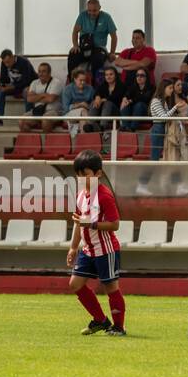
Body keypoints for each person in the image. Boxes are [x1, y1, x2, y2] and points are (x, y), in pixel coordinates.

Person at [66, 150, 126, 337]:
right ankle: (100, 320)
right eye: (79, 175)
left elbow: (115, 225)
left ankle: (118, 327)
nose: (82, 178)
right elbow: (79, 223)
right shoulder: (80, 195)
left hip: (105, 250)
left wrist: (90, 224)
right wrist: (73, 247)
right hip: (87, 250)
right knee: (74, 284)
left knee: (111, 288)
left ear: (98, 174)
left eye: (86, 174)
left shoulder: (105, 196)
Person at [69, 0, 117, 82]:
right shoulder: (82, 16)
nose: (91, 13)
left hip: (99, 48)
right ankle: (72, 82)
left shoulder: (106, 17)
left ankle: (96, 86)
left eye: (94, 10)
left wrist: (112, 52)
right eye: (89, 10)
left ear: (99, 8)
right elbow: (75, 32)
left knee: (97, 60)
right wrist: (75, 45)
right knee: (73, 55)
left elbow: (114, 36)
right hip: (84, 47)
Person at [0, 49, 35, 126]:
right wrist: (0, 85)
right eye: (5, 62)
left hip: (28, 85)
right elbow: (3, 77)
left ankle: (29, 119)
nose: (7, 65)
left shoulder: (24, 62)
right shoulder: (4, 63)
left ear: (12, 57)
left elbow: (26, 81)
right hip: (15, 86)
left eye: (8, 62)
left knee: (26, 92)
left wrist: (11, 87)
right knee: (0, 93)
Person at [19, 63, 63, 133]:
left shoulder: (56, 83)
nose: (40, 74)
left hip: (54, 111)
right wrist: (43, 95)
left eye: (43, 71)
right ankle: (33, 141)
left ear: (49, 73)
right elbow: (29, 99)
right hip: (38, 111)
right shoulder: (34, 83)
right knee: (22, 121)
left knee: (45, 120)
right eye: (39, 71)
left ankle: (47, 142)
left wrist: (36, 97)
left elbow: (50, 99)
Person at [87, 65, 125, 133]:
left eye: (111, 74)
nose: (108, 77)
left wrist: (104, 100)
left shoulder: (121, 86)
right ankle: (91, 125)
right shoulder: (103, 85)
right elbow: (97, 92)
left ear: (115, 75)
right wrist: (97, 97)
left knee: (108, 103)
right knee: (94, 102)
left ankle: (102, 126)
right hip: (103, 112)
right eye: (106, 75)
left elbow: (116, 98)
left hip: (116, 112)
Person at [119, 67, 154, 133]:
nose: (139, 77)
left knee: (139, 105)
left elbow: (145, 98)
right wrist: (124, 99)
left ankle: (132, 128)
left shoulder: (151, 87)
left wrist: (131, 100)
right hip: (134, 113)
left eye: (142, 75)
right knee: (125, 104)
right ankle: (126, 127)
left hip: (146, 112)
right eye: (137, 75)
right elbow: (127, 94)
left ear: (146, 77)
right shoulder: (133, 87)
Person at [61, 69, 95, 135]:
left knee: (83, 117)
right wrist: (80, 105)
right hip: (68, 115)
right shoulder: (67, 89)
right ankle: (91, 127)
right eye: (80, 80)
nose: (83, 82)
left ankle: (83, 138)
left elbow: (93, 105)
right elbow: (66, 108)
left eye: (84, 80)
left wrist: (86, 106)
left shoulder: (90, 89)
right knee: (83, 110)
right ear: (75, 79)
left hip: (86, 114)